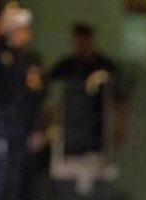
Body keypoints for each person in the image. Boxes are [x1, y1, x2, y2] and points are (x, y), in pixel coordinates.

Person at [0, 5, 44, 200]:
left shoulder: (29, 60)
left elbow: (35, 98)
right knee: (0, 176)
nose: (23, 33)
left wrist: (37, 128)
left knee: (17, 177)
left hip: (20, 124)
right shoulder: (0, 54)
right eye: (18, 28)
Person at [49, 23, 126, 156]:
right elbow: (53, 95)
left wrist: (119, 127)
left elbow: (119, 99)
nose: (81, 44)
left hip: (97, 126)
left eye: (84, 39)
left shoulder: (105, 65)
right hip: (70, 127)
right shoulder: (66, 65)